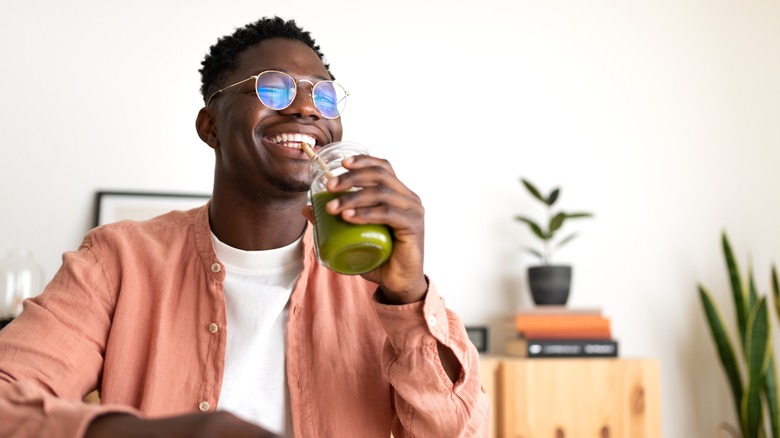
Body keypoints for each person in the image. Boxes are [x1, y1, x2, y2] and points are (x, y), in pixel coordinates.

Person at [0, 16, 491, 437]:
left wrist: (407, 299)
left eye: (323, 96)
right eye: (272, 87)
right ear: (209, 125)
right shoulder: (118, 260)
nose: (305, 108)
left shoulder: (380, 279)